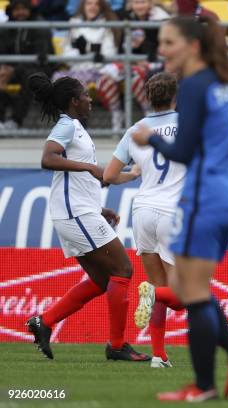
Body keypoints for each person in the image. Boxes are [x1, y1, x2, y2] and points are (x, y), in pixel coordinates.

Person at [130, 16, 228, 402]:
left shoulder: (195, 86)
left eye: (169, 42)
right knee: (190, 289)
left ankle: (204, 385)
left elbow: (182, 151)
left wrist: (148, 136)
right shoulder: (226, 83)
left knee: (194, 293)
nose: (162, 50)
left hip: (205, 197)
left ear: (194, 46)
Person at [25, 72, 150, 362]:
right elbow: (48, 158)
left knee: (102, 279)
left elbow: (74, 181)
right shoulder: (67, 126)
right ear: (73, 101)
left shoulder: (76, 127)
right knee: (123, 270)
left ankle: (45, 321)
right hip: (73, 214)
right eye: (85, 95)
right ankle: (117, 345)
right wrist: (89, 168)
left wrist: (99, 209)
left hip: (78, 212)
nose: (90, 99)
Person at [103, 72, 186, 368]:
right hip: (173, 212)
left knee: (158, 285)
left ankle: (159, 356)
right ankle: (151, 295)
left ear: (149, 98)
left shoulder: (136, 129)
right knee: (183, 293)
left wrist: (133, 174)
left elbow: (109, 176)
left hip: (143, 211)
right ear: (175, 96)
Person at [97, 0, 170, 129]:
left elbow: (159, 49)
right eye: (136, 2)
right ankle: (116, 114)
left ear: (150, 4)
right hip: (129, 62)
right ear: (131, 5)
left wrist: (143, 44)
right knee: (106, 79)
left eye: (143, 2)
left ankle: (150, 113)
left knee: (136, 76)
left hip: (155, 64)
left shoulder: (161, 19)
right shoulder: (125, 18)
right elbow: (121, 49)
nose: (140, 6)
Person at [53, 0, 123, 128]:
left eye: (96, 4)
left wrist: (87, 49)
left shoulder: (107, 23)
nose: (93, 7)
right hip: (76, 67)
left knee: (98, 82)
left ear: (101, 7)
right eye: (89, 3)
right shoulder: (74, 23)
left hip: (97, 70)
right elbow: (67, 53)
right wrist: (80, 51)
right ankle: (66, 122)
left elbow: (108, 52)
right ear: (83, 6)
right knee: (58, 78)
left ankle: (116, 119)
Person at [0, 0, 54, 131]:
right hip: (12, 69)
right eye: (16, 9)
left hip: (38, 69)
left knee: (30, 78)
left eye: (23, 9)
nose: (20, 13)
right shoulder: (7, 28)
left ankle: (15, 121)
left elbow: (40, 57)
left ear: (30, 10)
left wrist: (12, 70)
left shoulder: (40, 26)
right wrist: (4, 68)